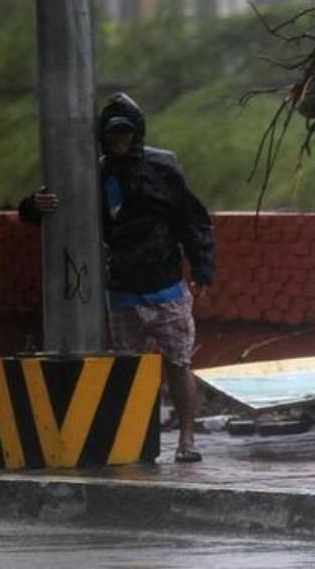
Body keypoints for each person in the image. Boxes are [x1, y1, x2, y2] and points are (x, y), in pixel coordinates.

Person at [19, 93, 215, 463]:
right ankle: (136, 438)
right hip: (121, 291)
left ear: (136, 132)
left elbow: (192, 219)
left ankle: (187, 438)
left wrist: (202, 267)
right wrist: (35, 203)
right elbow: (42, 209)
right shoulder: (90, 174)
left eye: (125, 132)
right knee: (130, 369)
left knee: (178, 364)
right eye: (112, 134)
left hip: (166, 288)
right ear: (102, 136)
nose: (119, 139)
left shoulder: (163, 167)